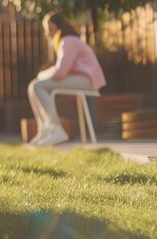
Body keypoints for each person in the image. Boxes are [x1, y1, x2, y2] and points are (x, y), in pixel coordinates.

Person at [28, 11, 106, 146]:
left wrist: (42, 74)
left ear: (59, 27)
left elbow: (60, 73)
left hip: (87, 81)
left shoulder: (69, 41)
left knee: (37, 85)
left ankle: (56, 129)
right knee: (33, 86)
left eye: (50, 29)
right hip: (80, 79)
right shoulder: (66, 41)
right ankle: (45, 131)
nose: (47, 34)